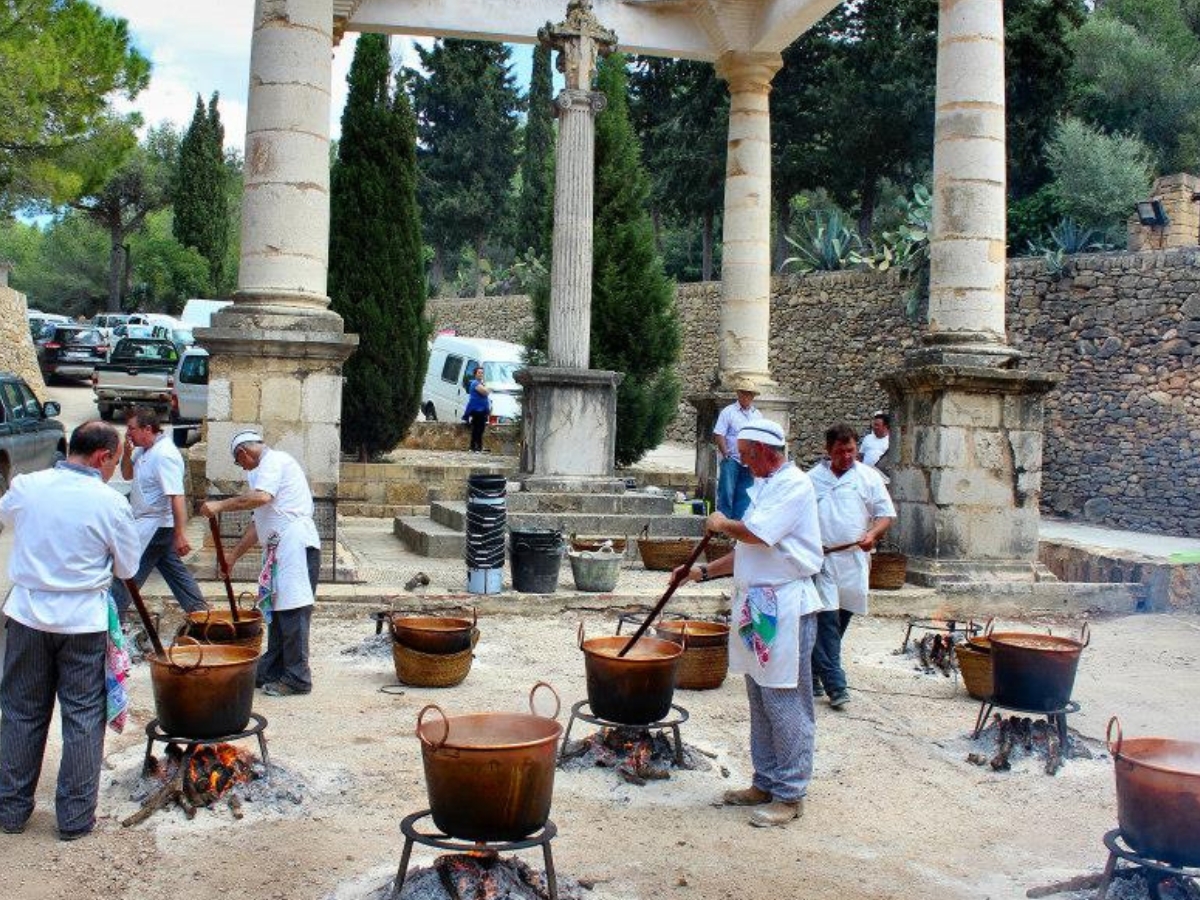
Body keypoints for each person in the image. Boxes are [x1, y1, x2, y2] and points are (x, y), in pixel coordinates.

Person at [677, 419, 829, 828]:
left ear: (764, 451)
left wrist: (723, 523)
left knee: (785, 700)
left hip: (786, 606)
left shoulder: (794, 485)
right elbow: (750, 552)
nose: (743, 462)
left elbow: (757, 536)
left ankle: (791, 794)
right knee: (760, 698)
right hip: (758, 606)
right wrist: (704, 572)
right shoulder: (766, 487)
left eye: (746, 454)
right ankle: (764, 781)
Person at [0, 421, 140, 841]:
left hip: (27, 616)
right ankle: (75, 820)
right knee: (82, 716)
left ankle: (10, 811)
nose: (115, 468)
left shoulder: (28, 486)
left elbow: (4, 516)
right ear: (102, 457)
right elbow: (128, 568)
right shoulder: (109, 503)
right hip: (82, 622)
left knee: (22, 712)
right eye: (116, 460)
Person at [199, 431, 319, 697]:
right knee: (277, 612)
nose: (241, 468)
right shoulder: (259, 473)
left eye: (238, 462)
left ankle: (298, 677)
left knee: (293, 610)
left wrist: (220, 506)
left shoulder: (275, 461)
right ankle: (273, 669)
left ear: (243, 453)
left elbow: (261, 498)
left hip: (295, 545)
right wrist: (233, 556)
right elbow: (258, 524)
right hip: (278, 548)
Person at [808, 423, 896, 710]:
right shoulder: (812, 479)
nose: (846, 456)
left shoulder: (869, 478)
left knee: (840, 621)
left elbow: (885, 515)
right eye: (839, 451)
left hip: (854, 560)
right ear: (828, 451)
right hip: (822, 561)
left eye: (850, 450)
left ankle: (813, 673)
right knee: (827, 622)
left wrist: (872, 534)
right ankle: (837, 685)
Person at [110, 407, 208, 622]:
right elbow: (127, 475)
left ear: (147, 429)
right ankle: (200, 612)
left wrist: (180, 534)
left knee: (127, 576)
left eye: (132, 429)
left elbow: (177, 496)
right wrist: (126, 453)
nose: (128, 434)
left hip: (156, 526)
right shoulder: (143, 450)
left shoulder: (165, 455)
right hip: (147, 524)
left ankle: (112, 619)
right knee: (173, 570)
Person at [712, 377, 762, 519]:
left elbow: (759, 438)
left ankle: (738, 523)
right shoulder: (728, 412)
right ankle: (723, 524)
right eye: (743, 393)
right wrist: (725, 453)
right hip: (732, 458)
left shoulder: (757, 415)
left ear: (753, 396)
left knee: (745, 492)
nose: (746, 396)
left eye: (749, 394)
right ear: (738, 394)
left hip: (750, 460)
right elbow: (719, 433)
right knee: (726, 491)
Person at [463, 366, 491, 452]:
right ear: (475, 374)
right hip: (477, 410)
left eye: (482, 373)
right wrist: (488, 389)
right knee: (478, 429)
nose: (481, 374)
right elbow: (485, 392)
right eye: (479, 373)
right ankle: (476, 447)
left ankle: (476, 447)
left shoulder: (480, 383)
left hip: (481, 410)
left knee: (479, 428)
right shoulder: (475, 383)